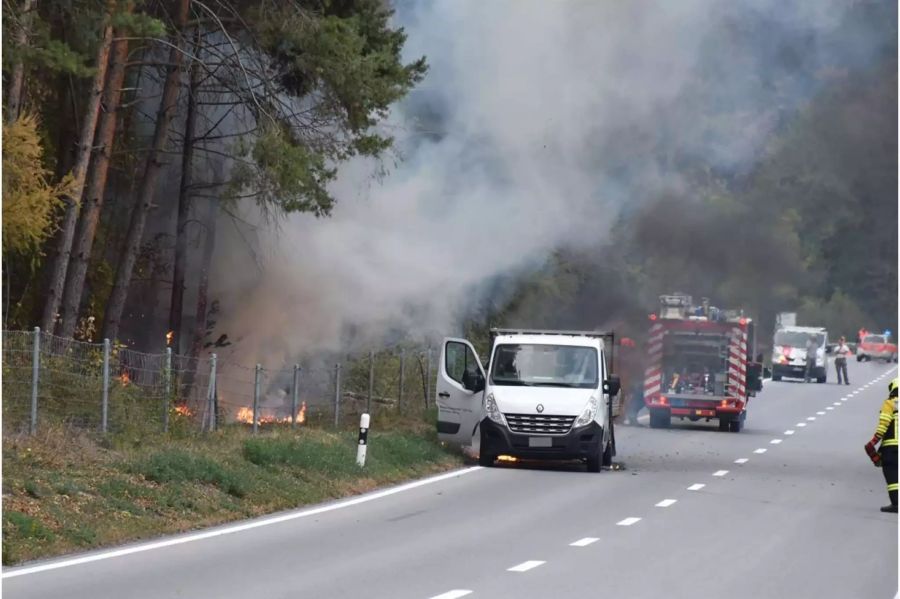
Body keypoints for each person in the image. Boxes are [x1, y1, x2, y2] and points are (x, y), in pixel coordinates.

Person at [864, 378, 898, 513]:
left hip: (892, 447)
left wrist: (873, 442)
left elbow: (884, 424)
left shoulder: (890, 403)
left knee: (892, 474)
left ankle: (896, 504)